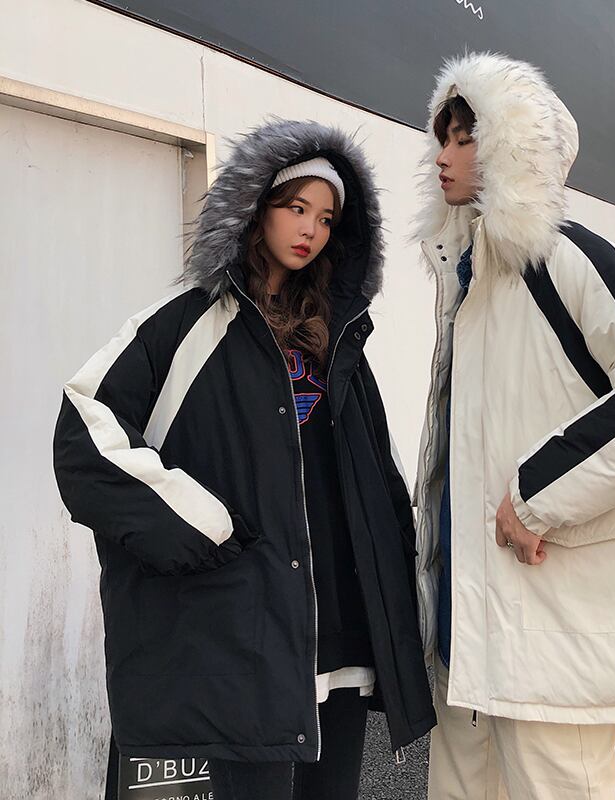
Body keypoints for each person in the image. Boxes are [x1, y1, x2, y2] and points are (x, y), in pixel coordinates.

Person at [53, 119, 435, 800]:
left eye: (326, 218)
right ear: (256, 207)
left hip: (337, 632)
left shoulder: (339, 338)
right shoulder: (187, 322)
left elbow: (377, 475)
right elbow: (86, 432)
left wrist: (399, 602)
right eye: (296, 207)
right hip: (231, 632)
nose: (310, 230)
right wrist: (198, 525)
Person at [413, 52, 615, 800]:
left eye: (465, 138)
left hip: (551, 626)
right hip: (468, 629)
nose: (444, 156)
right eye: (443, 138)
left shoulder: (565, 258)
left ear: (513, 146)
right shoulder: (470, 278)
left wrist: (535, 497)